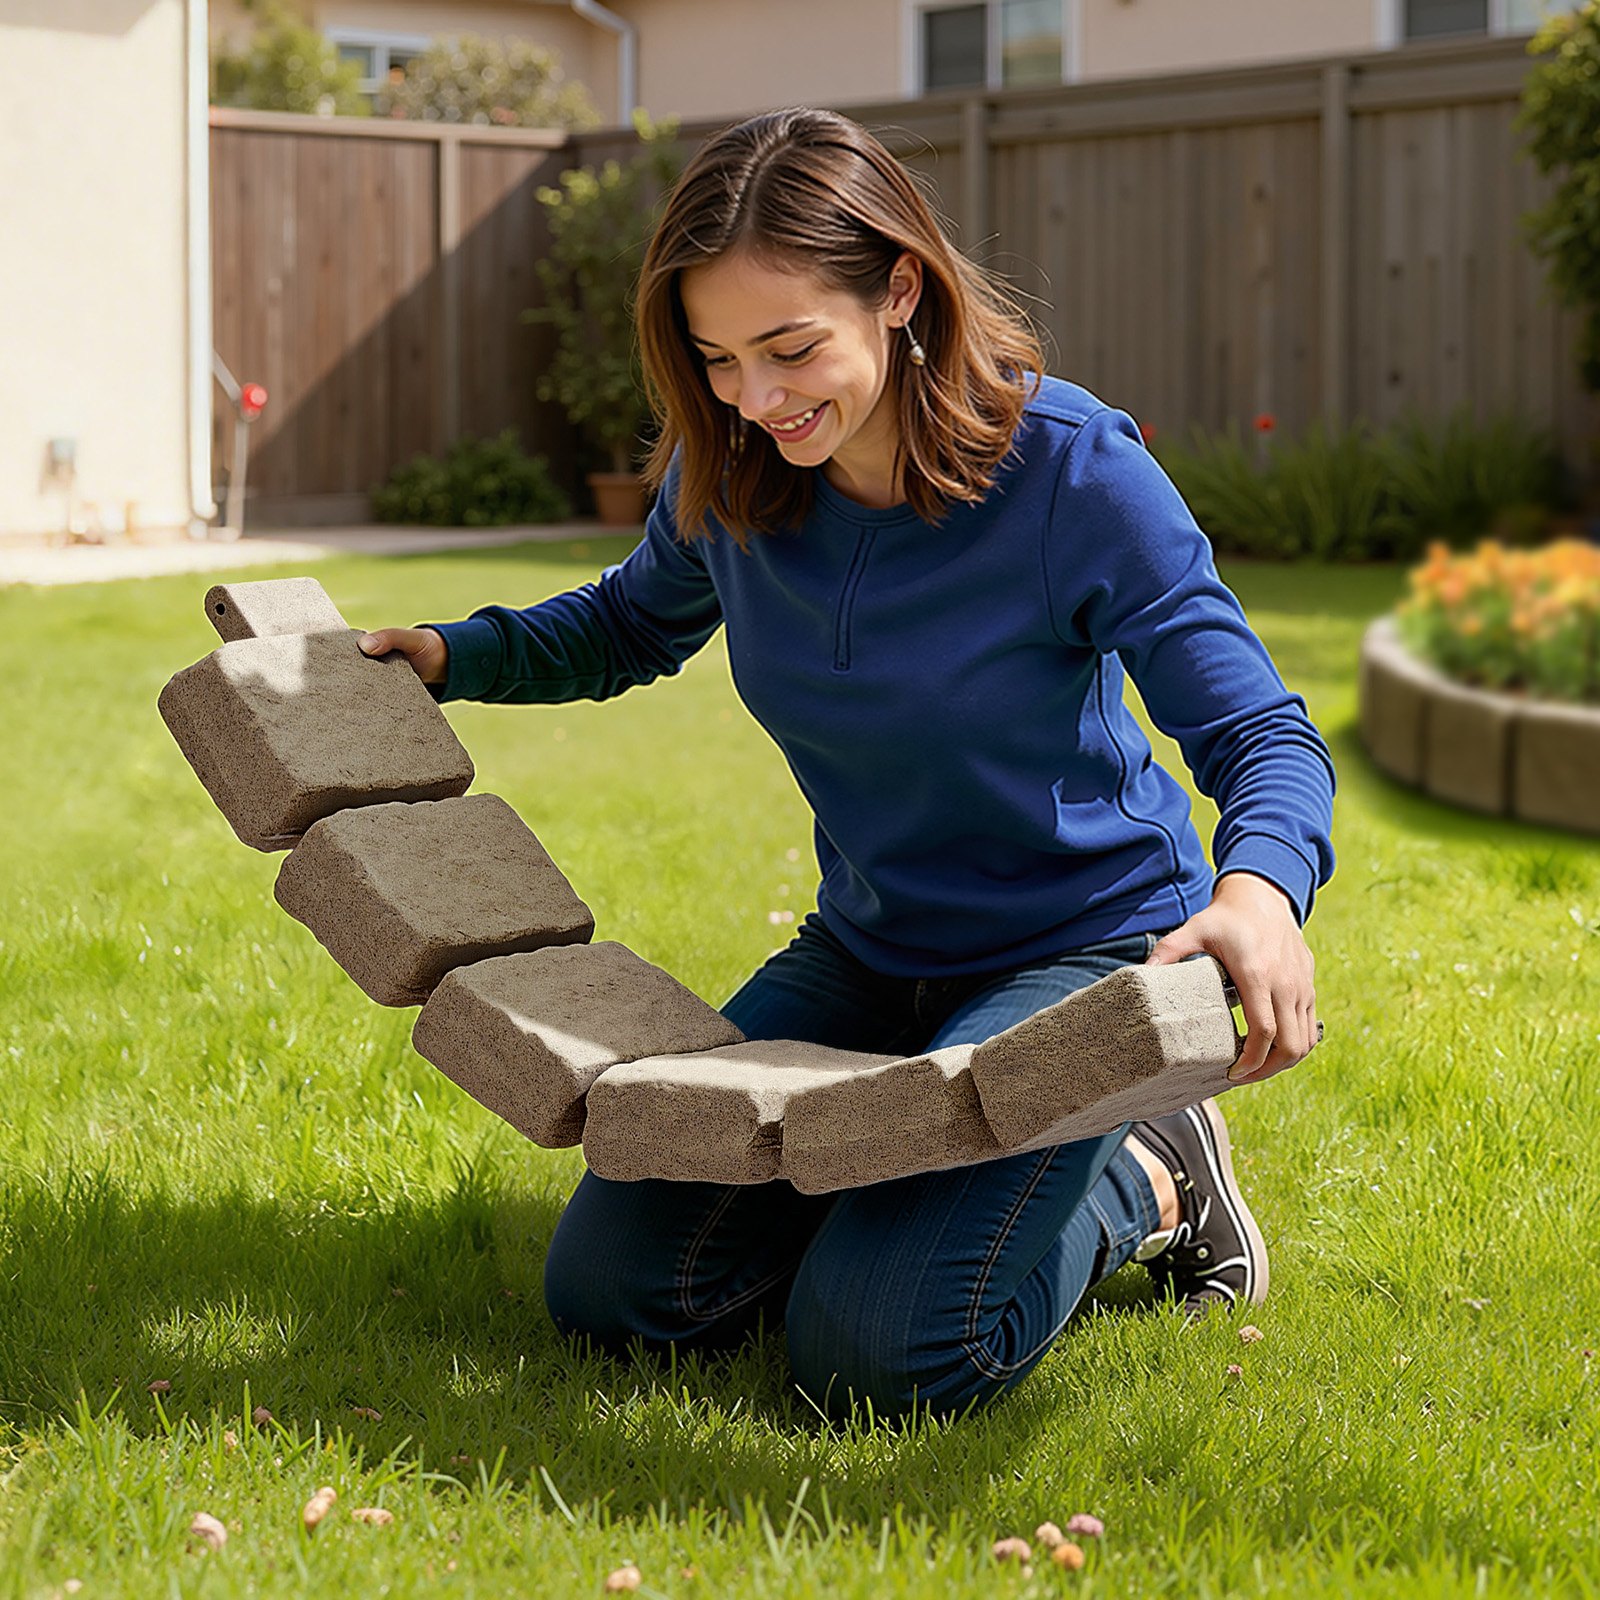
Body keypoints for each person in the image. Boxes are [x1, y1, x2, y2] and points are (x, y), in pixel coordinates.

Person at [359, 106, 1334, 1422]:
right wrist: (444, 654)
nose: (755, 399)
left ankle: (1150, 1172)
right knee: (618, 1296)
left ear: (899, 291)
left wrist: (1261, 896)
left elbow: (1260, 732)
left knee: (882, 1359)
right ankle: (908, 1192)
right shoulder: (734, 471)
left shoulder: (1072, 475)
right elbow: (626, 623)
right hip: (873, 950)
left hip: (1083, 950)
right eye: (716, 359)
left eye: (790, 349)